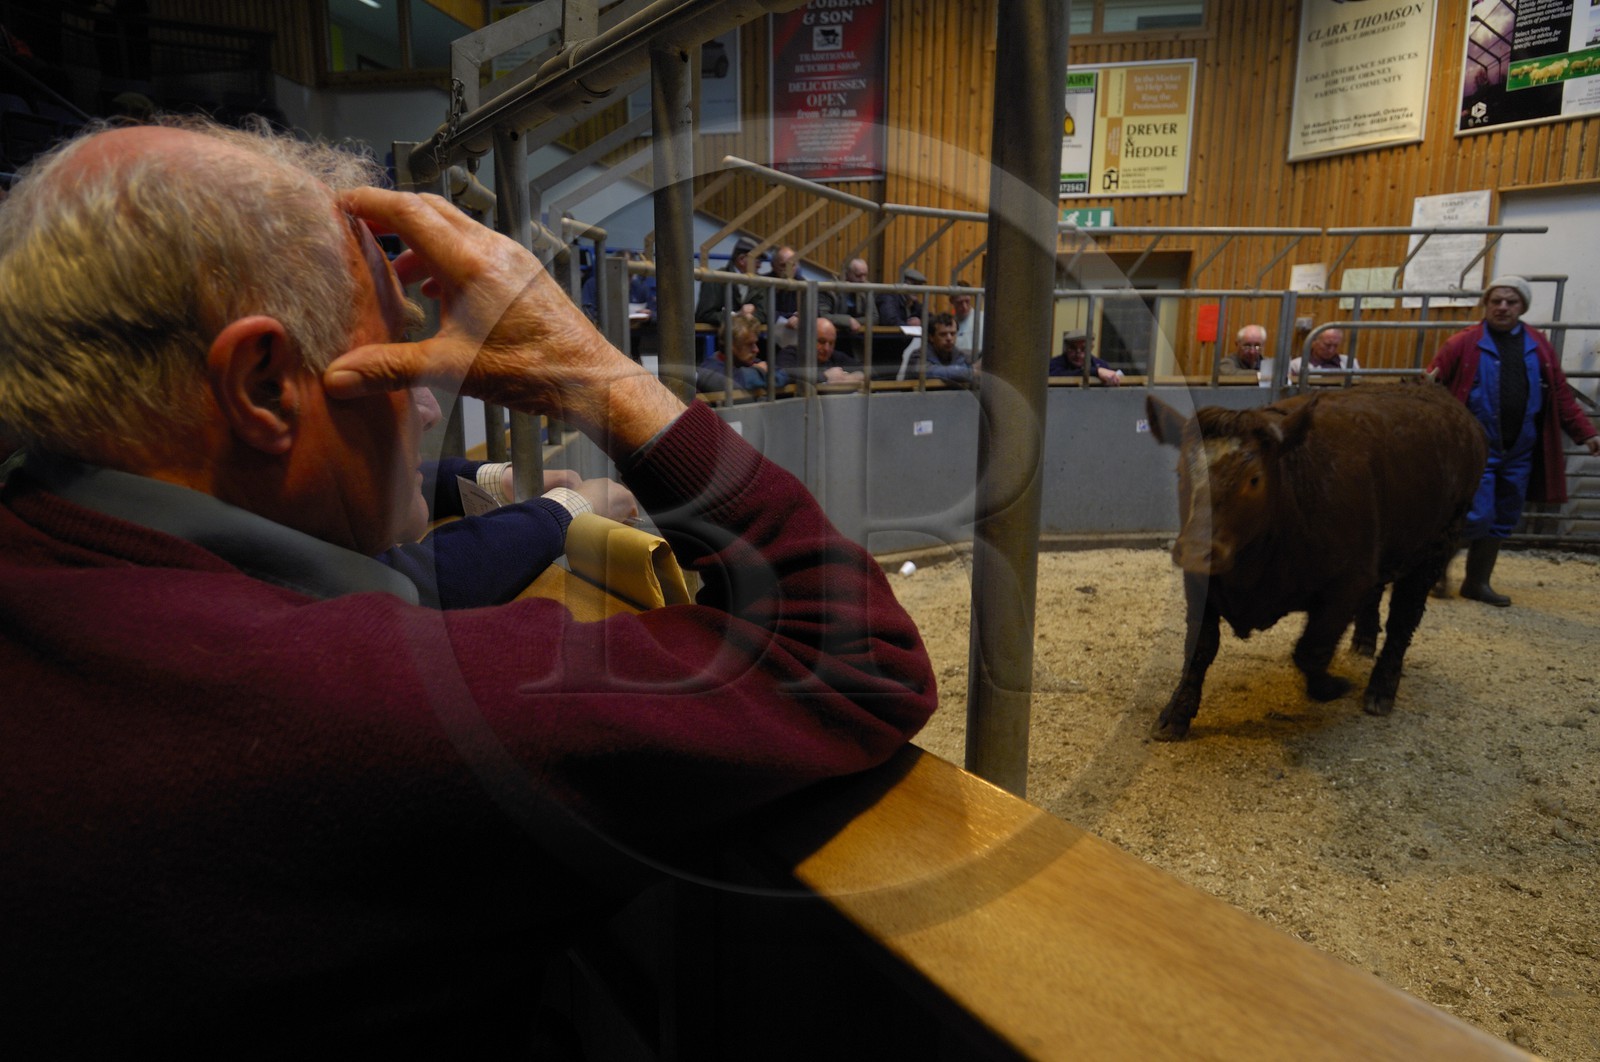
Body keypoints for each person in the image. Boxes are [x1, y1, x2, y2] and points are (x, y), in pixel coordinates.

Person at [0, 119, 935, 1054]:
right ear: (266, 387)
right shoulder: (349, 709)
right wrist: (598, 375)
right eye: (400, 352)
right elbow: (849, 655)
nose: (429, 400)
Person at [1428, 276, 1599, 606]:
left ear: (1523, 307)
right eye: (1496, 301)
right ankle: (1435, 569)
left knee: (1504, 515)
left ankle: (1476, 583)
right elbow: (1430, 387)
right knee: (1476, 514)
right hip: (1476, 448)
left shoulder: (1538, 345)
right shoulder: (1462, 343)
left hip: (1520, 448)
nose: (1503, 307)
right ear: (1486, 304)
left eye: (1511, 301)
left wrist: (1586, 432)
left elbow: (1560, 394)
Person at [695, 311, 788, 393]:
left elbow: (783, 374)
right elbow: (735, 382)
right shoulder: (709, 369)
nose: (756, 350)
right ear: (731, 345)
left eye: (755, 344)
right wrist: (760, 371)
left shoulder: (748, 361)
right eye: (749, 344)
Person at [693, 237, 765, 329]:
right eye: (757, 260)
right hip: (719, 340)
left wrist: (751, 316)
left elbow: (763, 313)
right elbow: (704, 314)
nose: (760, 265)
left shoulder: (758, 282)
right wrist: (737, 316)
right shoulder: (715, 279)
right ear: (741, 259)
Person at [776, 317, 864, 386]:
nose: (827, 348)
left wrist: (852, 377)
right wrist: (824, 376)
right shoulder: (790, 354)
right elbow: (783, 374)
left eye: (831, 343)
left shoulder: (835, 356)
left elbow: (868, 371)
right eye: (821, 341)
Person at [900, 312, 973, 384]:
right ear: (931, 337)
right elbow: (931, 373)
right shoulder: (918, 356)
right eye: (943, 334)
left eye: (953, 333)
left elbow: (962, 372)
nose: (949, 338)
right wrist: (970, 372)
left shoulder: (957, 353)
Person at [820, 256, 871, 355]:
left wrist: (855, 322)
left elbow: (874, 317)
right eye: (858, 275)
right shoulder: (828, 288)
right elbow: (822, 316)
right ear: (847, 274)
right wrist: (847, 321)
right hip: (830, 343)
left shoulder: (866, 287)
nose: (863, 280)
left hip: (855, 343)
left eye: (865, 275)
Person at [1049, 329, 1122, 385]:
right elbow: (1058, 376)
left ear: (1091, 348)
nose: (1078, 354)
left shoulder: (1101, 365)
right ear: (1066, 349)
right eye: (1073, 348)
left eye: (1083, 349)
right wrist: (1096, 372)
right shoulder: (1054, 364)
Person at [1288, 326, 1359, 379]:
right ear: (1314, 342)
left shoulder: (1350, 362)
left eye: (1336, 346)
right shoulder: (1296, 365)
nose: (1331, 350)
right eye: (1327, 345)